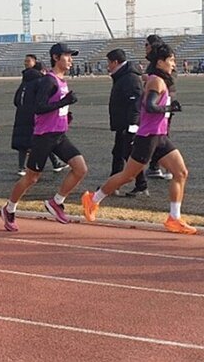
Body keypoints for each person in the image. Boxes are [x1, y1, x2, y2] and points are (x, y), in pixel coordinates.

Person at [82, 42, 196, 234]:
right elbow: (151, 106)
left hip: (159, 136)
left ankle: (174, 218)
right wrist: (170, 108)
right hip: (148, 137)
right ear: (160, 62)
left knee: (181, 173)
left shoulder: (158, 79)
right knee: (128, 176)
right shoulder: (156, 82)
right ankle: (92, 199)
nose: (174, 64)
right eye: (171, 60)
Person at [1, 43, 87, 231]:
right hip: (44, 136)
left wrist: (65, 113)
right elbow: (38, 107)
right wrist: (64, 102)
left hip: (59, 135)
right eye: (67, 56)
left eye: (72, 56)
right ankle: (9, 208)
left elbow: (56, 107)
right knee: (31, 178)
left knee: (80, 168)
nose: (71, 60)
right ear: (56, 58)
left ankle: (56, 202)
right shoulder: (49, 81)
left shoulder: (62, 80)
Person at [105, 49, 146, 197]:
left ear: (115, 62)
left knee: (128, 154)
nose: (108, 66)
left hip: (128, 124)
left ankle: (141, 184)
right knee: (119, 153)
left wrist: (132, 126)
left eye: (109, 63)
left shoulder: (129, 78)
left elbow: (135, 103)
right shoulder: (124, 76)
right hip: (124, 123)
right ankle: (112, 184)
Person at [144, 34, 173, 180]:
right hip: (160, 110)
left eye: (146, 45)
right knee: (128, 173)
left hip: (151, 121)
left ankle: (156, 167)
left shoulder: (156, 70)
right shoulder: (158, 72)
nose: (173, 65)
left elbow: (150, 104)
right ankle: (160, 167)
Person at [11, 57, 42, 177]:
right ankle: (32, 166)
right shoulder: (37, 82)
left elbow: (16, 100)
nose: (25, 63)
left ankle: (22, 167)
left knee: (24, 143)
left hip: (21, 115)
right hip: (32, 116)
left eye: (28, 61)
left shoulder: (24, 82)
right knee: (40, 140)